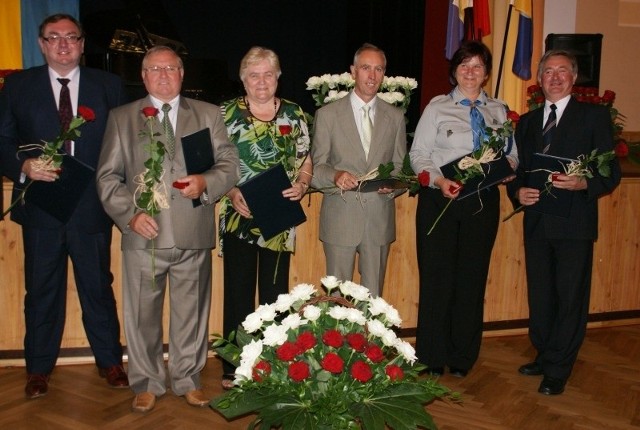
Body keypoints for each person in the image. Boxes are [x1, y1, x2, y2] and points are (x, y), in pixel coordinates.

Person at [96, 45, 239, 412]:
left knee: (191, 314)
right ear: (143, 76)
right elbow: (108, 177)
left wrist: (206, 183)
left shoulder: (208, 114)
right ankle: (145, 381)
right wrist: (128, 215)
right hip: (144, 233)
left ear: (182, 73)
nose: (163, 74)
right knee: (142, 314)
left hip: (192, 230)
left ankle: (188, 379)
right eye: (154, 68)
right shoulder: (122, 117)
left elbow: (228, 165)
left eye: (171, 68)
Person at [0, 13, 129, 399]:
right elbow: (1, 139)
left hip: (91, 204)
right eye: (53, 38)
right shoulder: (17, 85)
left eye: (71, 38)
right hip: (41, 205)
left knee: (98, 287)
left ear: (82, 43)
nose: (62, 44)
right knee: (41, 290)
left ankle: (110, 363)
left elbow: (124, 143)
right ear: (41, 44)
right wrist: (22, 165)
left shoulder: (107, 85)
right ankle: (38, 369)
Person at [506, 50, 621, 395]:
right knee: (541, 295)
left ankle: (559, 368)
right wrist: (518, 192)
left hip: (574, 223)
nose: (555, 77)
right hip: (538, 222)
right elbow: (518, 172)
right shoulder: (526, 123)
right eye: (548, 72)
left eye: (562, 71)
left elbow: (611, 172)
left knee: (570, 297)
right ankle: (544, 353)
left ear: (573, 78)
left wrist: (585, 182)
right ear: (539, 81)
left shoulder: (594, 117)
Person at [409, 41, 518, 378]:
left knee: (471, 280)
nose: (470, 72)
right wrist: (439, 182)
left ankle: (462, 357)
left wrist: (504, 170)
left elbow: (513, 155)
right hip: (440, 200)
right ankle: (431, 355)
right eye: (464, 66)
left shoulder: (500, 111)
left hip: (481, 204)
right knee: (437, 280)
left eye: (477, 67)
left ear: (486, 74)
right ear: (454, 70)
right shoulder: (437, 108)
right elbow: (418, 156)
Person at [218, 46, 312, 388]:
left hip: (279, 216)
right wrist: (230, 191)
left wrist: (302, 184)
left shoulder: (294, 112)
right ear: (243, 79)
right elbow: (215, 165)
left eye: (268, 74)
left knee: (276, 294)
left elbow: (305, 159)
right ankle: (234, 366)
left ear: (278, 77)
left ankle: (274, 363)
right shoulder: (226, 113)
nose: (262, 81)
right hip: (239, 215)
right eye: (254, 75)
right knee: (238, 293)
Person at [310, 43, 406, 297]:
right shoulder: (327, 115)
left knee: (373, 302)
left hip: (378, 218)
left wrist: (392, 187)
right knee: (337, 301)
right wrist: (336, 176)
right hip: (340, 219)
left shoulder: (395, 117)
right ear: (353, 71)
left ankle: (371, 339)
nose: (372, 76)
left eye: (378, 69)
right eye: (366, 68)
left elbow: (400, 169)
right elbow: (315, 169)